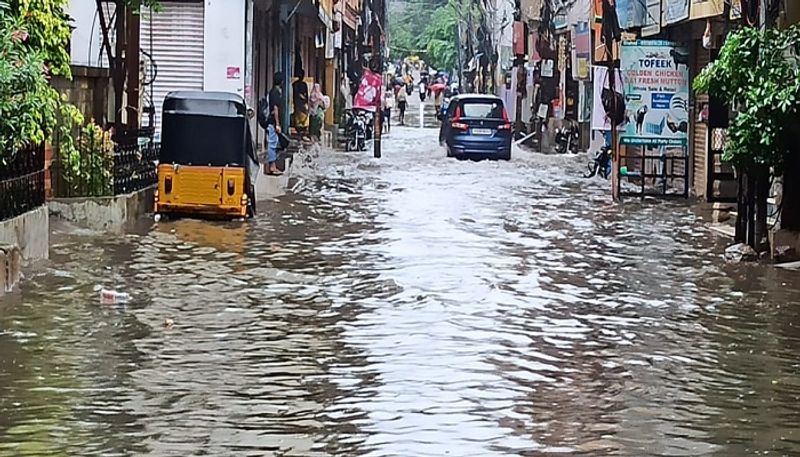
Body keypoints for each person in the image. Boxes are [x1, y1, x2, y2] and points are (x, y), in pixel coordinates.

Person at [261, 71, 284, 175]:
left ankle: (273, 165)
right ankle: (272, 166)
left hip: (272, 122)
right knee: (272, 144)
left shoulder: (273, 91)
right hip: (272, 122)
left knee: (273, 143)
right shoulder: (275, 93)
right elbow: (275, 109)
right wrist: (278, 124)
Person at [292, 69, 309, 137]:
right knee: (301, 118)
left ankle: (300, 131)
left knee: (299, 118)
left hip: (298, 103)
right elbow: (306, 95)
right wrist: (306, 101)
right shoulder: (302, 84)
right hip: (301, 103)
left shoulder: (295, 84)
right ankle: (301, 131)